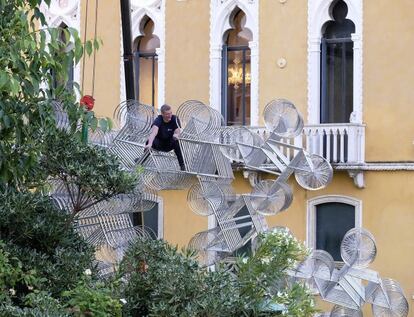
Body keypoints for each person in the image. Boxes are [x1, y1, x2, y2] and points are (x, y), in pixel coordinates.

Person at [144, 104, 185, 170]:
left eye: (171, 113)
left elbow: (177, 131)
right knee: (149, 141)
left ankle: (182, 165)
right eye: (167, 114)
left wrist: (176, 135)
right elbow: (153, 133)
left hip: (169, 144)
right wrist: (149, 144)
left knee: (177, 142)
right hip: (159, 144)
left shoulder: (175, 118)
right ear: (162, 114)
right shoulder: (158, 119)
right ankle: (142, 160)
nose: (170, 115)